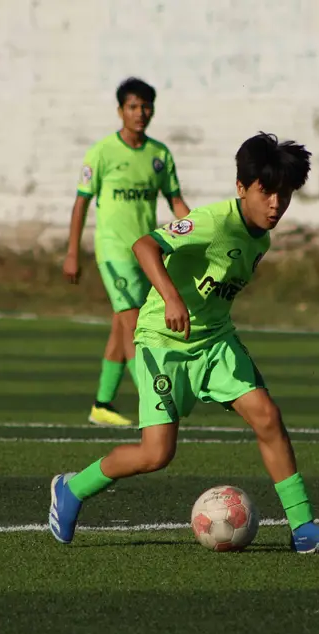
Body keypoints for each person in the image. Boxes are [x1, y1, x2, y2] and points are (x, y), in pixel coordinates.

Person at [50, 132, 319, 554]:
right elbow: (145, 244)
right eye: (266, 192)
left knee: (267, 416)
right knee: (156, 454)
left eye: (285, 194)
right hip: (163, 342)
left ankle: (303, 528)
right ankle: (72, 489)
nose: (276, 204)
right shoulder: (213, 221)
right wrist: (171, 297)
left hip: (216, 343)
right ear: (242, 188)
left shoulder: (260, 237)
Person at [64, 77, 191, 426]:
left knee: (121, 327)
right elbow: (81, 203)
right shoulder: (102, 152)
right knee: (135, 325)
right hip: (114, 252)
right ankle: (154, 399)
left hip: (147, 254)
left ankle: (102, 405)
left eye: (145, 107)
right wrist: (73, 251)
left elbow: (176, 200)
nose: (140, 113)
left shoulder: (160, 155)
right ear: (120, 111)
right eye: (133, 107)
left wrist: (195, 234)